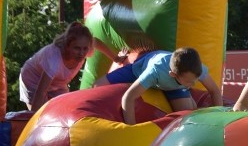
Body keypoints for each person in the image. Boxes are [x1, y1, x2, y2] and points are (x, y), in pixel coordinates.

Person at [94, 47, 222, 125]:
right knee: (98, 86)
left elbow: (214, 91)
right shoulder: (155, 71)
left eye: (195, 80)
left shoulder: (197, 68)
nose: (193, 84)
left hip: (174, 86)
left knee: (188, 115)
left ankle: (191, 101)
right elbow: (128, 97)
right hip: (139, 69)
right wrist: (131, 127)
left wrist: (220, 118)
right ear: (173, 75)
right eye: (189, 82)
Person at [19, 22, 125, 111]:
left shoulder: (86, 48)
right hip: (33, 79)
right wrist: (33, 121)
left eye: (85, 48)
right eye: (77, 48)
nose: (81, 53)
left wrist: (116, 58)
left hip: (58, 82)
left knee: (65, 108)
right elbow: (40, 92)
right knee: (42, 111)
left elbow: (96, 42)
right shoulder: (54, 58)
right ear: (67, 46)